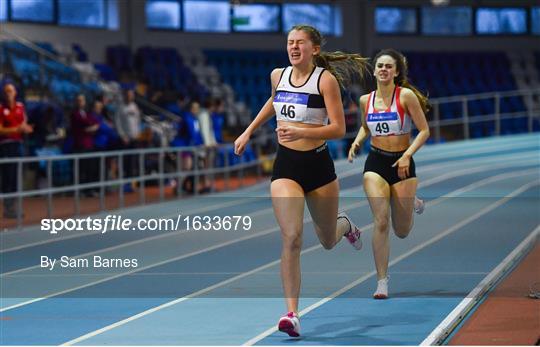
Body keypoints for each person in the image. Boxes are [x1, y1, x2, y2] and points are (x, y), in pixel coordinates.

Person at [234, 24, 368, 337]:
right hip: (287, 167)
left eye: (300, 43)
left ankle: (344, 225)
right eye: (290, 42)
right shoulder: (277, 75)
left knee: (327, 240)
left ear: (315, 49)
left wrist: (301, 131)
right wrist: (249, 130)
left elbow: (337, 128)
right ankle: (292, 313)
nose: (294, 47)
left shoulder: (325, 81)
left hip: (319, 167)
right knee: (292, 237)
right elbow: (273, 101)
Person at [347, 49, 430, 300]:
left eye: (388, 66)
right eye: (380, 65)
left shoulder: (405, 97)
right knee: (381, 220)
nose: (383, 69)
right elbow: (365, 126)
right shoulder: (365, 100)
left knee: (402, 230)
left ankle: (410, 199)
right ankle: (382, 281)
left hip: (403, 163)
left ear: (396, 72)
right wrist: (358, 142)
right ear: (374, 71)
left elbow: (424, 131)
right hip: (376, 164)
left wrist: (407, 155)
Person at [0, 83, 33, 218]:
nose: (9, 94)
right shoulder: (1, 109)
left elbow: (24, 123)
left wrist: (26, 128)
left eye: (11, 91)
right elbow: (0, 129)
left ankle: (13, 206)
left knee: (16, 176)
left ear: (15, 93)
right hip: (6, 145)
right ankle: (8, 208)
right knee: (7, 176)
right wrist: (15, 129)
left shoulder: (20, 107)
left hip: (18, 144)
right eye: (6, 91)